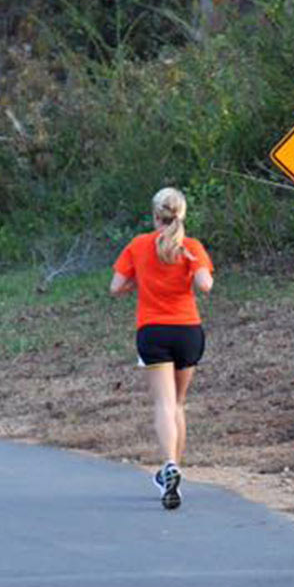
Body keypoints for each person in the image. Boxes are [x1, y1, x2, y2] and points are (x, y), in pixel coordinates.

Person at [110, 187, 214, 510]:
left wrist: (138, 281)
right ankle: (173, 470)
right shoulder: (191, 247)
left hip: (153, 331)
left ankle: (170, 465)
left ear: (155, 215)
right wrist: (190, 264)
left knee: (164, 405)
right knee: (179, 404)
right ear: (182, 215)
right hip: (187, 331)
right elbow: (205, 285)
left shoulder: (139, 246)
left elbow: (115, 288)